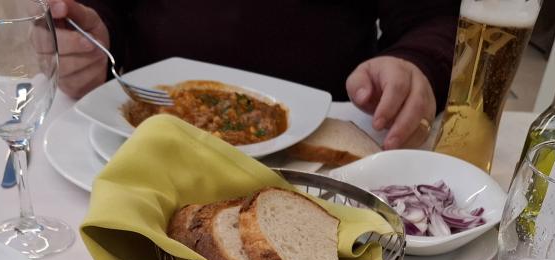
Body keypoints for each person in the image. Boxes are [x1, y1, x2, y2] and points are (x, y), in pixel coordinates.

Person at [50, 0, 459, 149]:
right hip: (132, 141)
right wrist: (88, 40)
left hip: (323, 150)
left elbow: (433, 18)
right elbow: (102, 7)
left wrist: (416, 62)